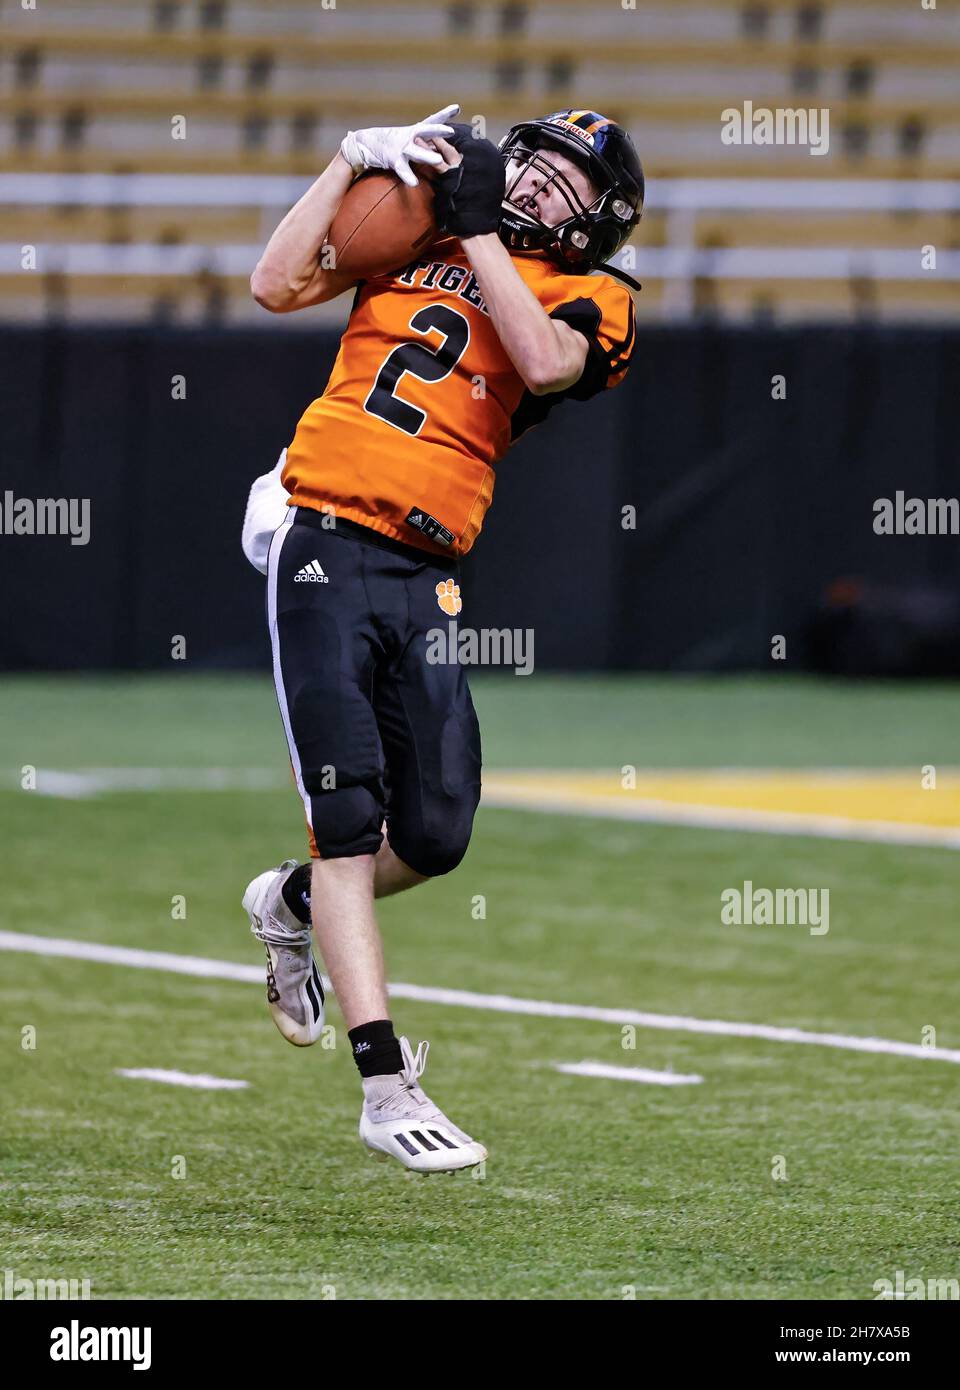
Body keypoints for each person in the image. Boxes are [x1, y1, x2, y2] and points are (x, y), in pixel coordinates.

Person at [240, 103, 643, 1172]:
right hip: (321, 530)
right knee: (347, 814)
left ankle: (286, 903)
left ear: (598, 225)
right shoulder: (418, 227)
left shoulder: (591, 295)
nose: (542, 186)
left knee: (435, 829)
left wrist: (472, 232)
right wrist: (344, 159)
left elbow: (546, 363)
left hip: (424, 566)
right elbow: (273, 284)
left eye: (569, 185)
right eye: (537, 165)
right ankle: (383, 1082)